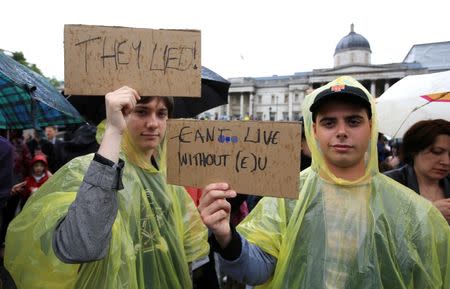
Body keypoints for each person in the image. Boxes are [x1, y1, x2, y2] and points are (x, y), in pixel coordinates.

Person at [199, 76, 450, 289]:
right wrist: (226, 237)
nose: (341, 131)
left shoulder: (410, 208)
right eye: (329, 122)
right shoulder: (289, 192)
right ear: (314, 131)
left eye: (353, 121)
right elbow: (257, 270)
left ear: (371, 127)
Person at [5, 86, 209, 289]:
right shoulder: (84, 170)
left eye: (162, 114)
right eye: (141, 111)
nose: (154, 123)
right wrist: (114, 131)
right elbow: (78, 246)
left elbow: (188, 252)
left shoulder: (167, 181)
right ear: (118, 113)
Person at [385, 119, 450, 224]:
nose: (446, 161)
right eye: (437, 152)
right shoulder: (388, 183)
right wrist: (429, 214)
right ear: (414, 151)